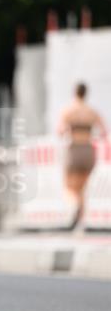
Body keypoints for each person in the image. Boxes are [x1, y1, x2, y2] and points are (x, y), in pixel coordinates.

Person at [57, 82, 107, 227]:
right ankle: (80, 221)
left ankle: (75, 205)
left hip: (74, 149)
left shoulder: (68, 110)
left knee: (69, 186)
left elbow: (60, 131)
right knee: (82, 187)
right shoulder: (92, 111)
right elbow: (103, 132)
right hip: (88, 149)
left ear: (74, 93)